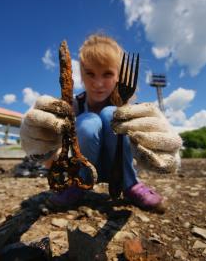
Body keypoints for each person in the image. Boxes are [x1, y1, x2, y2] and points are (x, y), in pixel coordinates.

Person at [20, 34, 182, 212]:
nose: (98, 83)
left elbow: (145, 144)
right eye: (90, 73)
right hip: (84, 168)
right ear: (81, 75)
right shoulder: (72, 105)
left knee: (110, 113)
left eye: (107, 74)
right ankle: (79, 185)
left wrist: (161, 147)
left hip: (119, 168)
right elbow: (50, 155)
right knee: (88, 123)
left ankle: (130, 184)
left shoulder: (127, 108)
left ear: (119, 76)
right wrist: (38, 142)